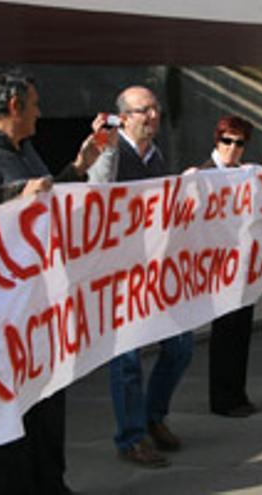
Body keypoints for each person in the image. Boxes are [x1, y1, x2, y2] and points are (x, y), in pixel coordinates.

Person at [0, 68, 102, 495]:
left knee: (48, 416)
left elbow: (45, 203)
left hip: (41, 315)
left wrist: (78, 168)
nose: (39, 113)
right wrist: (17, 204)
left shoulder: (26, 151)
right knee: (12, 428)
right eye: (34, 104)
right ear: (13, 106)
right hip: (2, 324)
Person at [88, 85, 193, 468]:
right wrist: (105, 146)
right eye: (143, 110)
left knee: (180, 347)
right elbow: (96, 194)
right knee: (127, 360)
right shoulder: (112, 153)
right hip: (120, 275)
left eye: (155, 109)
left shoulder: (157, 156)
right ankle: (131, 437)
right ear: (124, 117)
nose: (152, 116)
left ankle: (153, 415)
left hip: (156, 272)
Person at [191, 115, 261, 417]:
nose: (233, 148)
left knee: (242, 330)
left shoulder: (244, 175)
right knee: (225, 333)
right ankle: (222, 398)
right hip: (216, 267)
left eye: (239, 143)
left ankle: (238, 393)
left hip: (242, 264)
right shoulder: (202, 175)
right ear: (216, 141)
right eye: (227, 141)